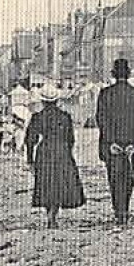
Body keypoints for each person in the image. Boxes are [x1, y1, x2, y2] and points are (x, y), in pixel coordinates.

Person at [95, 59, 134, 225]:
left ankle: (118, 211)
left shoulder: (105, 94)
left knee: (114, 178)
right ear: (129, 74)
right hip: (133, 146)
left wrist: (111, 141)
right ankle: (124, 208)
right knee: (129, 178)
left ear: (113, 74)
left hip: (112, 146)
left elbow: (101, 119)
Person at [24, 87, 86, 227]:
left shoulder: (37, 117)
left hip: (45, 151)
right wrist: (67, 152)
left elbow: (30, 139)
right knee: (59, 183)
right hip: (61, 151)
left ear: (43, 101)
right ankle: (54, 213)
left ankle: (50, 215)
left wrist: (30, 159)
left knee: (46, 183)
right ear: (57, 100)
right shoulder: (65, 116)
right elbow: (71, 139)